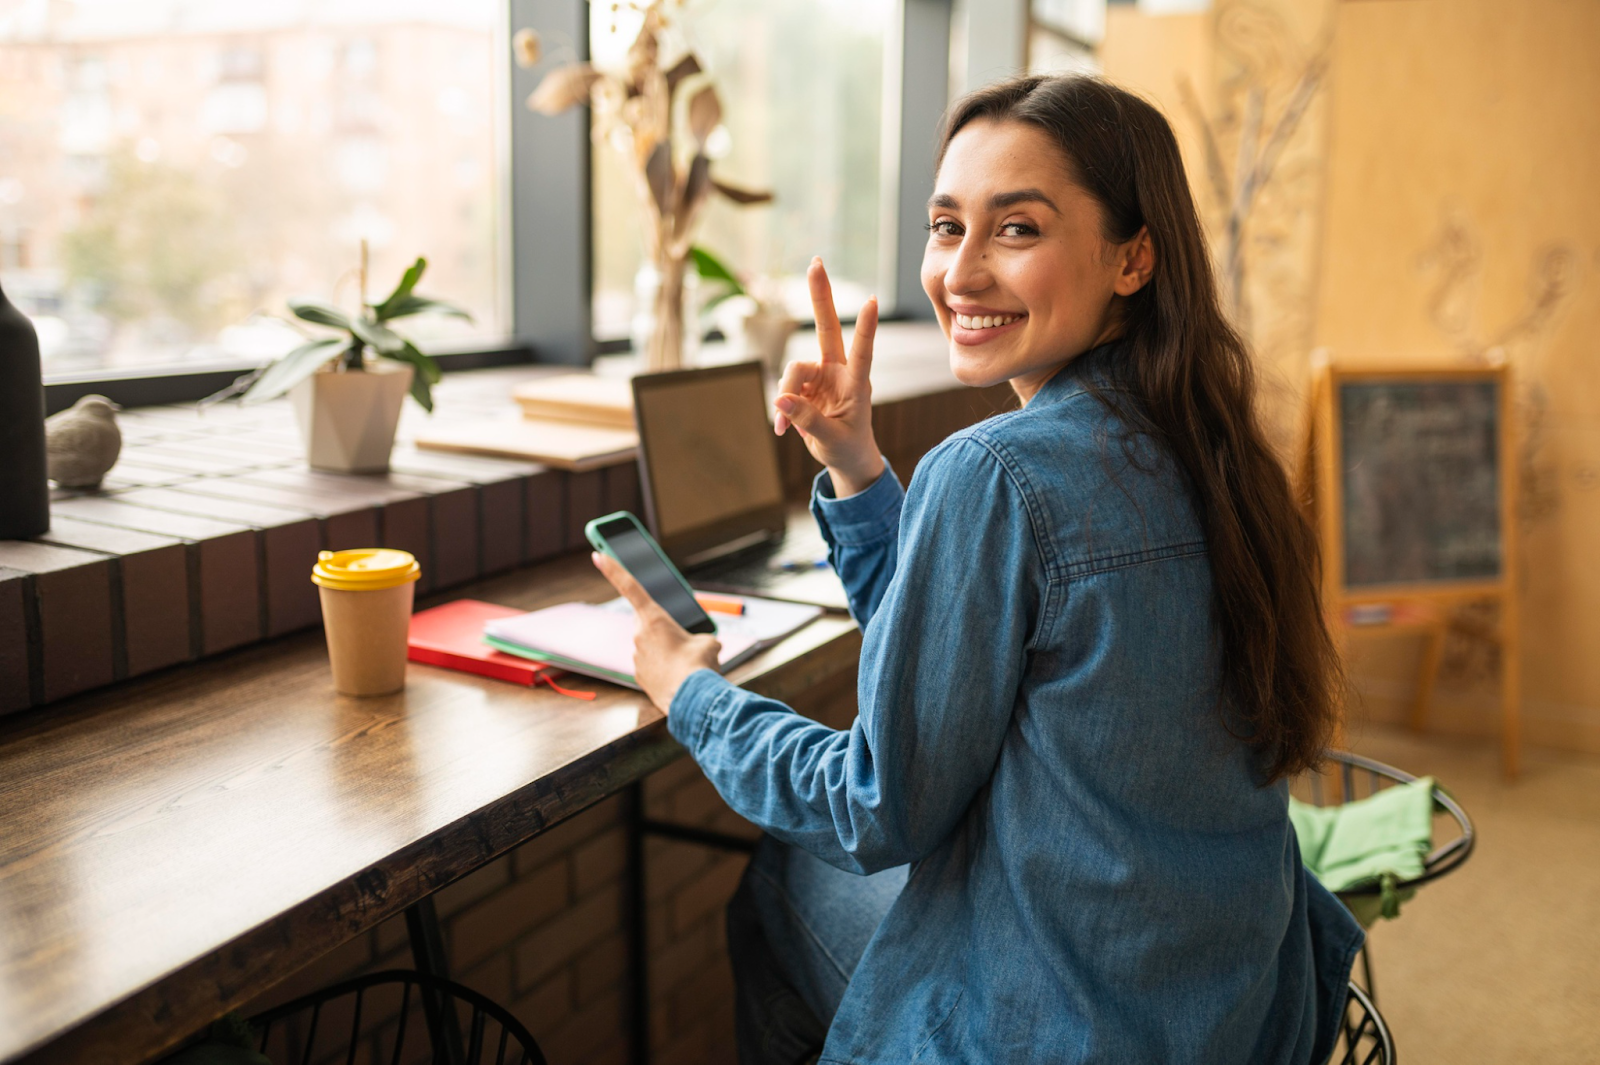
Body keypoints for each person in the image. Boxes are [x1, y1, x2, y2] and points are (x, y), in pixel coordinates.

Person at [593, 74, 1363, 1065]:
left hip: (1066, 1027)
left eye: (1016, 230)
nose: (960, 273)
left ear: (1132, 257)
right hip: (1233, 1011)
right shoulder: (1216, 450)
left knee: (785, 875)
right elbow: (965, 663)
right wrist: (857, 467)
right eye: (946, 226)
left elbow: (875, 808)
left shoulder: (992, 470)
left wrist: (690, 691)